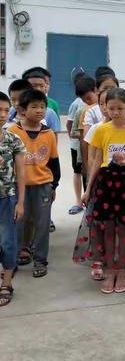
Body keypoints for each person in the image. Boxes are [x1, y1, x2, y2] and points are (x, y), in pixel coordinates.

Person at [80, 88, 125, 294]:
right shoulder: (101, 131)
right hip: (106, 183)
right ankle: (111, 269)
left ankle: (121, 270)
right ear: (105, 108)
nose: (115, 112)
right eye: (111, 108)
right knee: (109, 227)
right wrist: (88, 190)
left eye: (120, 108)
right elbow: (95, 161)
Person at [8, 89, 60, 278]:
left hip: (42, 185)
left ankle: (40, 260)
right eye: (34, 107)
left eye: (43, 107)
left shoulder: (49, 134)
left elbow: (54, 163)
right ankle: (11, 261)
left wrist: (53, 186)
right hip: (17, 187)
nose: (39, 111)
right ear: (22, 109)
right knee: (17, 224)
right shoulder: (13, 131)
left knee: (42, 224)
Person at [0, 91, 25, 306]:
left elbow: (20, 173)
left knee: (8, 242)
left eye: (6, 110)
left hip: (7, 199)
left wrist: (20, 202)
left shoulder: (13, 139)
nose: (2, 114)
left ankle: (6, 282)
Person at [67, 73, 87, 215]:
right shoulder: (77, 104)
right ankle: (78, 201)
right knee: (77, 171)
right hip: (77, 145)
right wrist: (73, 139)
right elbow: (69, 124)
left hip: (90, 145)